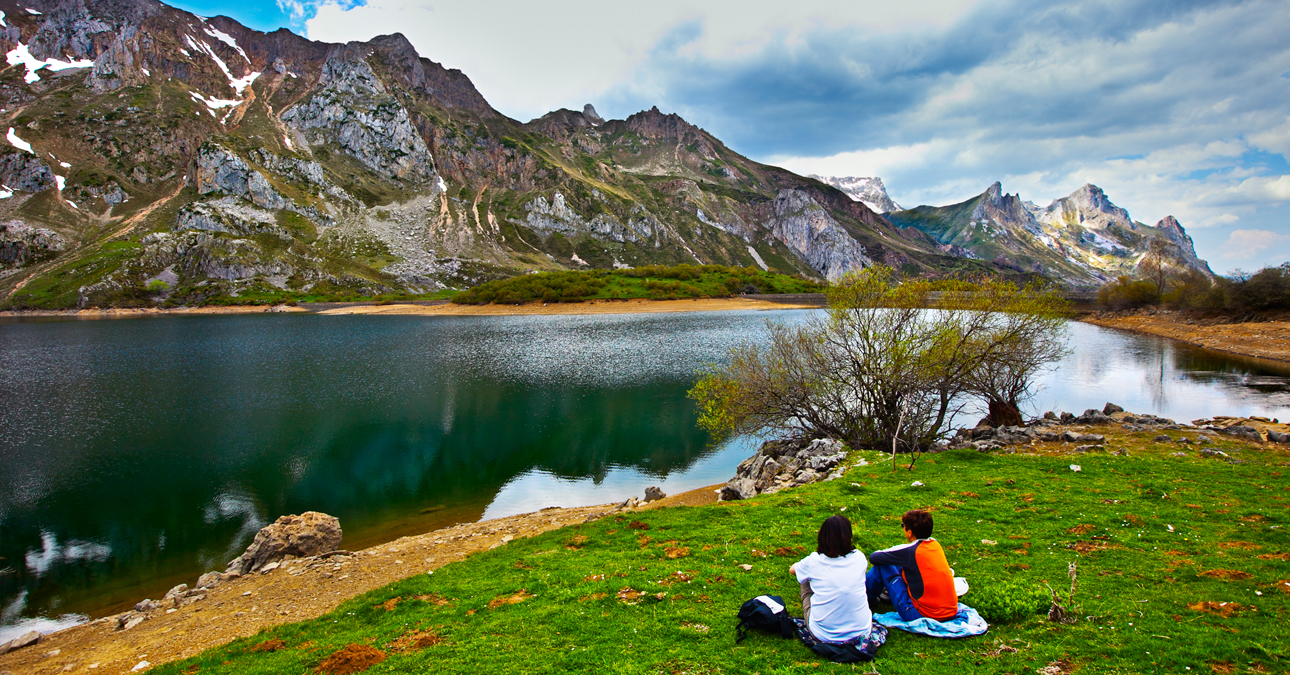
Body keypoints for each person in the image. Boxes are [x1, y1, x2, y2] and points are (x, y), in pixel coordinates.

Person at [788, 515, 872, 643]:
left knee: (803, 578)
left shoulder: (814, 561)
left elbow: (792, 570)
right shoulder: (859, 557)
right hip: (862, 631)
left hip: (823, 634)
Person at [866, 509, 958, 621]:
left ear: (909, 532)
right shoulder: (935, 544)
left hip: (920, 614)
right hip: (950, 611)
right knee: (900, 565)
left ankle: (868, 598)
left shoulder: (910, 551)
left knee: (882, 567)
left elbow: (874, 557)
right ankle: (887, 593)